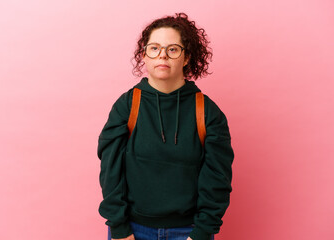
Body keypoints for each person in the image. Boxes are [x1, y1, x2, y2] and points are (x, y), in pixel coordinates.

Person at [98, 13, 234, 240]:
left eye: (172, 49)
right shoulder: (127, 105)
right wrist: (120, 228)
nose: (162, 55)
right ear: (145, 55)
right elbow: (110, 172)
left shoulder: (208, 112)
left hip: (190, 231)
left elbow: (218, 179)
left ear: (187, 56)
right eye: (154, 48)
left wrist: (201, 233)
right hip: (132, 229)